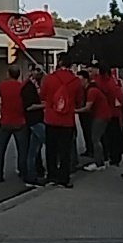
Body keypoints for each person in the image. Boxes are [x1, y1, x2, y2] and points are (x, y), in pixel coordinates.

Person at [38, 53, 83, 188]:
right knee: (65, 150)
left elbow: (43, 96)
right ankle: (64, 177)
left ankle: (52, 175)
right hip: (67, 120)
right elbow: (79, 100)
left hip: (51, 118)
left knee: (51, 149)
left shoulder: (50, 79)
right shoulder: (75, 81)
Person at [0, 65, 29, 182]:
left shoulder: (2, 86)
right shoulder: (22, 86)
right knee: (22, 149)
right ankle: (22, 171)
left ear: (8, 74)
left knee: (1, 149)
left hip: (5, 120)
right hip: (20, 121)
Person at [77, 70, 113, 172]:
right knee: (98, 138)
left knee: (95, 139)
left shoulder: (91, 91)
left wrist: (74, 110)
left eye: (80, 80)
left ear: (85, 80)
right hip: (101, 115)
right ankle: (102, 159)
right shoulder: (91, 89)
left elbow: (87, 108)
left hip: (101, 116)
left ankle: (99, 162)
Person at [21, 66, 46, 185]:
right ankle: (32, 174)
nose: (39, 73)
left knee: (34, 150)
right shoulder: (28, 88)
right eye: (37, 70)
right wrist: (44, 105)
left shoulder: (36, 86)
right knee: (47, 144)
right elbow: (29, 106)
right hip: (34, 121)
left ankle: (32, 174)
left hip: (37, 120)